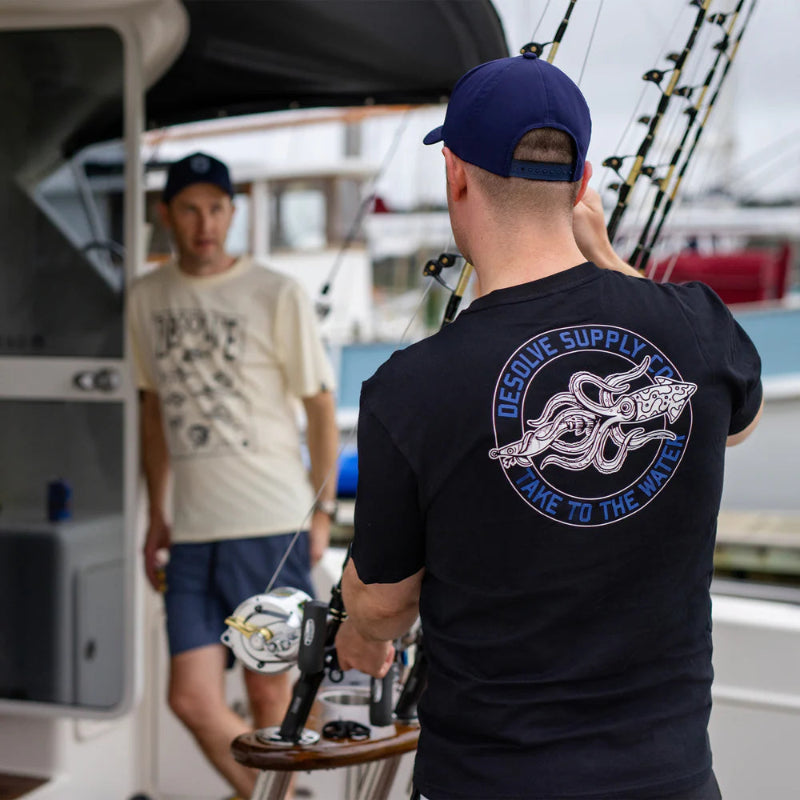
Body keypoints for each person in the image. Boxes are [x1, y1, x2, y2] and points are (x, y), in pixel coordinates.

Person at [335, 54, 762, 800]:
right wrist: (605, 258)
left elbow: (384, 602)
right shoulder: (697, 326)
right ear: (583, 184)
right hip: (673, 781)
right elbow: (732, 422)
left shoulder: (409, 389)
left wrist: (358, 631)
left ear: (456, 175)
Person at [128, 152, 339, 798]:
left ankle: (278, 795)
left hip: (269, 524)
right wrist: (156, 515)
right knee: (190, 697)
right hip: (189, 532)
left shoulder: (275, 292)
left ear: (233, 212)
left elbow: (320, 406)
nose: (204, 224)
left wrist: (322, 511)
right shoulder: (145, 297)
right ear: (166, 215)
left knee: (268, 694)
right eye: (189, 209)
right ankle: (278, 796)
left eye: (217, 208)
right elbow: (154, 411)